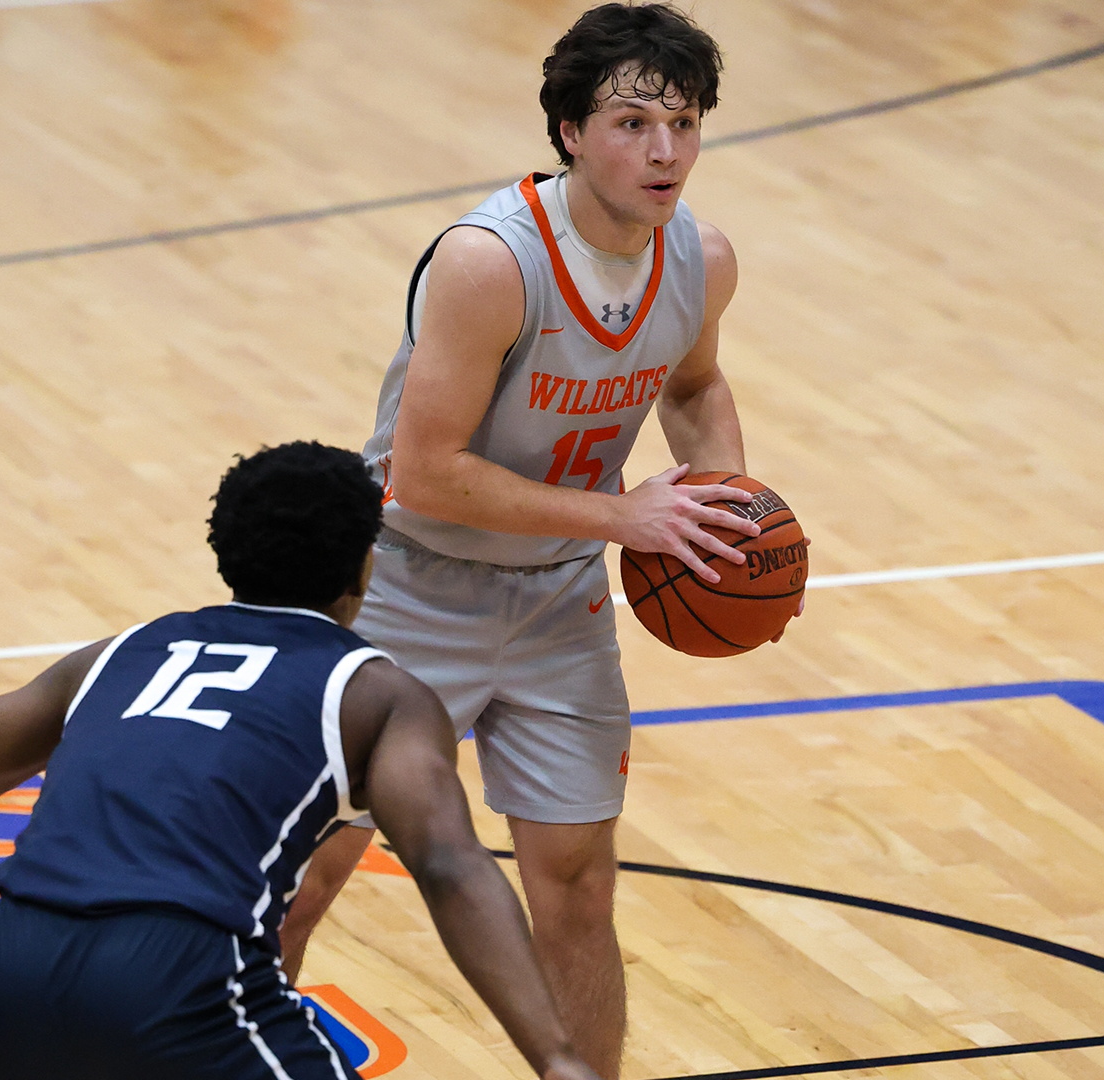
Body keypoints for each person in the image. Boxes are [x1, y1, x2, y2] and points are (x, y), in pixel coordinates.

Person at [0, 442, 603, 1080]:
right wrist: (555, 1056)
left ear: (224, 552)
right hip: (179, 969)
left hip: (13, 960)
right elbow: (445, 861)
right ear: (366, 566)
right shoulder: (375, 691)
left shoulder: (116, 655)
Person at [275, 6, 796, 1078]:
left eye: (685, 124)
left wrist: (724, 513)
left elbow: (693, 387)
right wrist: (625, 517)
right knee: (311, 871)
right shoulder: (488, 262)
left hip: (558, 601)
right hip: (410, 592)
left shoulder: (701, 258)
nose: (664, 152)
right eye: (633, 122)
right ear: (568, 131)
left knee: (576, 882)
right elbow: (427, 471)